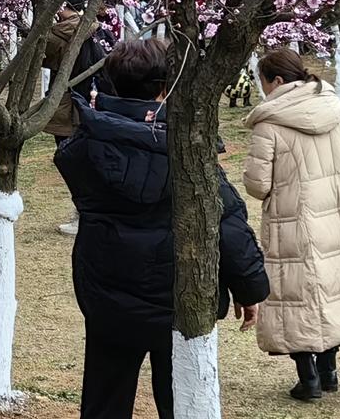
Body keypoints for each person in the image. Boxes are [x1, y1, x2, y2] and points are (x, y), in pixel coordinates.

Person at [55, 38, 270, 419]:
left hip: (108, 293)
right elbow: (226, 223)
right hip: (176, 296)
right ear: (165, 87)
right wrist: (249, 288)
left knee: (105, 398)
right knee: (181, 400)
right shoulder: (188, 151)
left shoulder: (85, 146)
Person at [244, 47, 340, 401]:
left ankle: (308, 378)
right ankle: (329, 371)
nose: (262, 89)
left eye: (263, 82)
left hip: (292, 217)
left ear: (276, 80)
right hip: (339, 212)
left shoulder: (270, 123)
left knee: (296, 291)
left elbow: (258, 184)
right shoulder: (336, 108)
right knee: (332, 286)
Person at [46, 0, 111, 236]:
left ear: (62, 6)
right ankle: (92, 212)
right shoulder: (96, 29)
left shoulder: (57, 35)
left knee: (72, 162)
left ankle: (85, 214)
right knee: (91, 160)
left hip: (67, 105)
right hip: (94, 103)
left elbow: (40, 59)